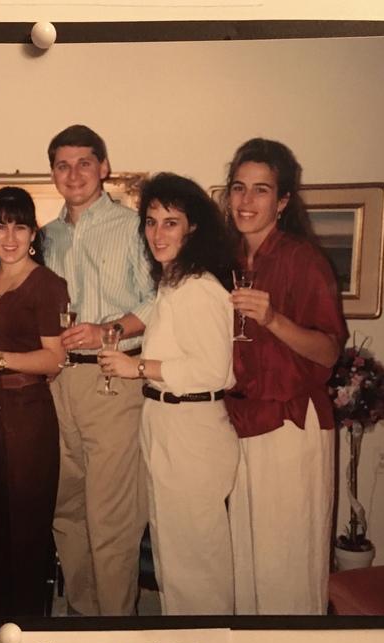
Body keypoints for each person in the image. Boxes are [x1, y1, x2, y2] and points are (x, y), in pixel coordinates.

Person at [98, 173, 239, 615]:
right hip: (165, 423)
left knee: (197, 565)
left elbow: (212, 371)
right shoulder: (172, 284)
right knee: (173, 562)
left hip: (192, 431)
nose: (158, 233)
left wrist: (136, 366)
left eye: (171, 222)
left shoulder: (199, 288)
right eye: (151, 221)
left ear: (193, 227)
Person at [222, 138, 346, 615]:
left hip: (291, 425)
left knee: (288, 565)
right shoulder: (226, 261)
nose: (246, 202)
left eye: (260, 190)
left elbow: (329, 350)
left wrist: (273, 319)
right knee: (246, 566)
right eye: (239, 188)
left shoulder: (303, 260)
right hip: (240, 422)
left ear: (283, 201)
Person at [42, 124, 154, 616]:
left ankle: (115, 626)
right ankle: (82, 617)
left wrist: (106, 330)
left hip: (112, 374)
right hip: (58, 380)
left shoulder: (134, 226)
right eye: (63, 165)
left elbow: (156, 302)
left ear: (104, 167)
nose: (74, 174)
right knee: (66, 507)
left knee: (111, 513)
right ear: (53, 174)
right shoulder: (43, 237)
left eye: (84, 162)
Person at [0, 187, 68, 617]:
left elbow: (55, 359)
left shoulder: (47, 283)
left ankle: (26, 637)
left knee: (25, 529)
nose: (10, 236)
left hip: (27, 411)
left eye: (20, 226)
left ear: (33, 233)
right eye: (0, 225)